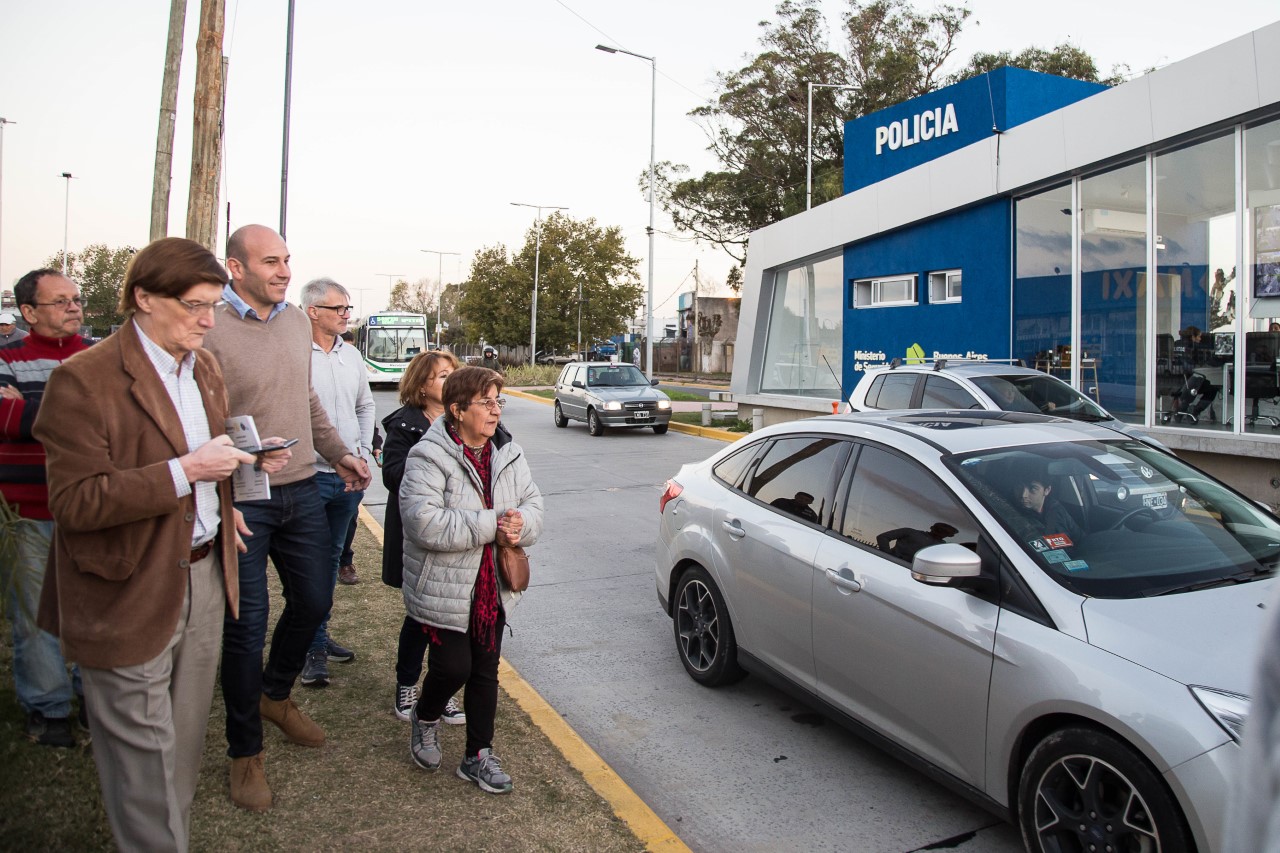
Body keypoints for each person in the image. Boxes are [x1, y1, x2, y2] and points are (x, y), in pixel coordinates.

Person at [33, 238, 290, 852]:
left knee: (176, 748)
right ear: (143, 298)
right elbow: (75, 503)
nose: (208, 320)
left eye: (212, 305)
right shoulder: (82, 380)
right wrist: (187, 473)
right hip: (125, 589)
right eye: (195, 306)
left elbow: (205, 457)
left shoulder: (202, 367)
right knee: (141, 765)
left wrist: (228, 495)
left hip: (203, 579)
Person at [202, 224, 372, 811]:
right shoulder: (209, 326)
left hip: (301, 486)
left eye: (287, 260)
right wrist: (233, 460)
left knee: (315, 603)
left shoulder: (298, 322)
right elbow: (194, 417)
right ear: (235, 268)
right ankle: (244, 751)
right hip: (242, 497)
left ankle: (275, 696)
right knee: (245, 627)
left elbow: (307, 402)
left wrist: (340, 453)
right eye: (271, 261)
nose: (283, 270)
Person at [400, 366, 543, 794]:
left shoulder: (508, 452)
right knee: (453, 667)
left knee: (485, 669)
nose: (495, 410)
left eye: (499, 401)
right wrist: (493, 524)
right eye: (486, 402)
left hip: (491, 587)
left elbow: (533, 502)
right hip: (444, 585)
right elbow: (423, 522)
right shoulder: (429, 455)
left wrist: (521, 526)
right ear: (458, 409)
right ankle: (426, 717)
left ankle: (477, 755)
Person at [0, 268, 91, 747]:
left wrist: (28, 410)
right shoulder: (5, 356)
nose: (73, 307)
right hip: (28, 511)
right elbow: (2, 418)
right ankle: (49, 708)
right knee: (36, 616)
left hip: (92, 511)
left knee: (94, 611)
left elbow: (112, 422)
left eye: (76, 299)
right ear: (28, 312)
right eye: (60, 302)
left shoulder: (97, 359)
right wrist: (71, 416)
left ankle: (93, 702)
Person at [381, 350, 466, 725]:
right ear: (421, 385)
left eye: (453, 373)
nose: (450, 380)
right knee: (419, 615)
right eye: (442, 375)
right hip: (418, 532)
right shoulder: (404, 425)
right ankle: (407, 684)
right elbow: (393, 475)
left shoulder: (461, 419)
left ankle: (441, 690)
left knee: (449, 617)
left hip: (458, 531)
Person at [299, 277, 375, 688]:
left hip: (348, 481)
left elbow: (365, 405)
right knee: (308, 567)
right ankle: (309, 646)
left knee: (329, 562)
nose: (347, 314)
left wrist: (360, 453)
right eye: (339, 308)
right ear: (313, 311)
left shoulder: (351, 356)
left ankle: (318, 637)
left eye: (348, 309)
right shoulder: (295, 354)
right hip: (307, 476)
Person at [1014, 466, 1083, 543]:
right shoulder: (1013, 515)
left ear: (1047, 490)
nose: (1024, 495)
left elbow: (1080, 538)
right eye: (1020, 488)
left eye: (1032, 489)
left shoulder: (1057, 510)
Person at [876, 522, 958, 562]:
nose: (941, 533)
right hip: (893, 563)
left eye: (945, 532)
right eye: (940, 530)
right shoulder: (910, 532)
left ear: (949, 535)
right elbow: (883, 537)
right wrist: (888, 556)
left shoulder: (944, 548)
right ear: (932, 528)